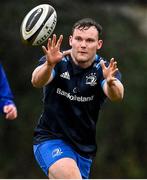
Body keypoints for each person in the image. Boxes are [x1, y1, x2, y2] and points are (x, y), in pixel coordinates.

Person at [31, 18, 124, 179]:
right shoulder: (57, 61)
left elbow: (117, 95)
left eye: (89, 40)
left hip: (84, 149)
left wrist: (110, 82)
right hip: (50, 139)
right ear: (71, 40)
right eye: (79, 39)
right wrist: (49, 65)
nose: (83, 44)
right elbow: (36, 81)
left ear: (99, 44)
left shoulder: (103, 69)